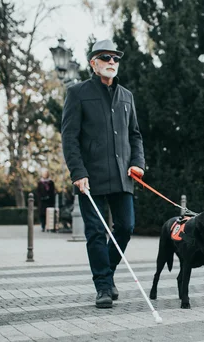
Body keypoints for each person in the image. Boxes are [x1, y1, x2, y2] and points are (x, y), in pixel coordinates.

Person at [61, 39, 145, 308]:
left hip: (123, 176)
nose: (112, 62)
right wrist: (77, 171)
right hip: (90, 178)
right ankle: (103, 288)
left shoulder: (127, 96)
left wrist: (138, 163)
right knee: (96, 232)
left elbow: (135, 135)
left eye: (115, 59)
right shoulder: (77, 93)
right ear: (93, 63)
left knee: (127, 227)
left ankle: (106, 275)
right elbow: (69, 137)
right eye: (106, 58)